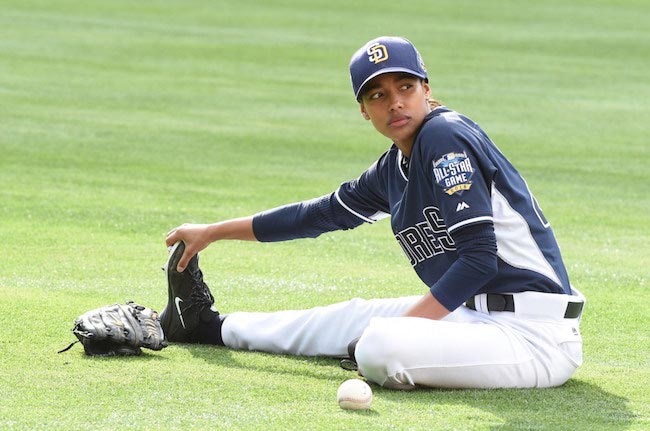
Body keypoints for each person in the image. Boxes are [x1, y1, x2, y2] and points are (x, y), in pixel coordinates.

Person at [160, 36, 585, 390]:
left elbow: (479, 258)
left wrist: (406, 329)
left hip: (535, 336)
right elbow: (318, 215)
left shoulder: (444, 134)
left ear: (426, 88)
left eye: (405, 87)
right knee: (353, 317)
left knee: (382, 343)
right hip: (472, 316)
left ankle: (376, 348)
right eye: (378, 95)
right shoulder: (392, 168)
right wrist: (213, 231)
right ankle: (209, 327)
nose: (395, 103)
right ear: (364, 110)